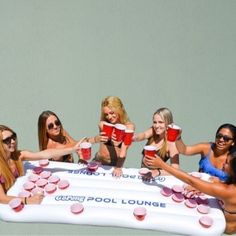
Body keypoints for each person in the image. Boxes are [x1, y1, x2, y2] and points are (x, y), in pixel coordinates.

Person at [143, 146, 236, 234]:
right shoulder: (229, 183)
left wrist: (162, 165)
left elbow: (190, 180)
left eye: (227, 162)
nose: (223, 163)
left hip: (224, 229)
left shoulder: (228, 191)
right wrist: (206, 187)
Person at [0, 124, 84, 204]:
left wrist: (72, 149)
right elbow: (2, 198)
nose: (13, 141)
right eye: (7, 140)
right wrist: (28, 200)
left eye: (13, 137)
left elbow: (46, 154)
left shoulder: (18, 156)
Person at [87, 96, 135, 177]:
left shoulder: (129, 127)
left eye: (112, 113)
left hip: (115, 164)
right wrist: (97, 138)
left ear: (119, 110)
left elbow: (124, 150)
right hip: (98, 161)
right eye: (106, 114)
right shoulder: (103, 124)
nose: (109, 117)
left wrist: (119, 167)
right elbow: (90, 141)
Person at [134, 107, 179, 178]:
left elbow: (175, 169)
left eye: (161, 122)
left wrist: (157, 172)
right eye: (155, 122)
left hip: (155, 179)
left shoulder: (171, 144)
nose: (157, 126)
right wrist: (134, 138)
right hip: (142, 175)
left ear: (169, 124)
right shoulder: (153, 131)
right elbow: (144, 135)